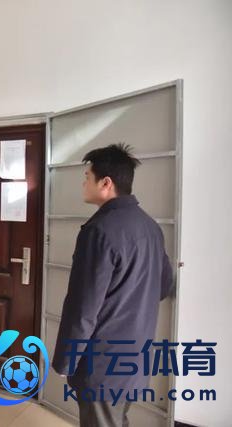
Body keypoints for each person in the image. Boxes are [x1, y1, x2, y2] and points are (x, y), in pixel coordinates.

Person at [52, 144, 174, 427]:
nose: (83, 183)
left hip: (102, 362)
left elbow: (84, 308)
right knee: (116, 419)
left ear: (106, 183)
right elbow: (164, 285)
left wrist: (67, 360)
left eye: (87, 177)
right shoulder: (150, 227)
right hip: (135, 355)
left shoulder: (99, 231)